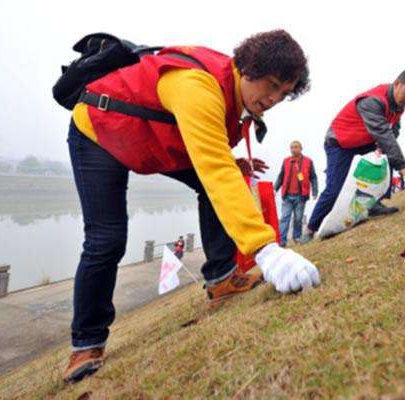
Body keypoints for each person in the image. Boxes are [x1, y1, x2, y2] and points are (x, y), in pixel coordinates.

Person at [63, 30, 320, 384]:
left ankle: (222, 278)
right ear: (249, 67)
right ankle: (87, 343)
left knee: (222, 179)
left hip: (149, 139)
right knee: (106, 239)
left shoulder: (234, 94)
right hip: (99, 131)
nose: (274, 98)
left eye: (284, 92)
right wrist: (266, 250)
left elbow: (213, 157)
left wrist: (233, 165)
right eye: (272, 85)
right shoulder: (197, 85)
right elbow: (214, 168)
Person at [299, 68, 405, 244]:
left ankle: (374, 204)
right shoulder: (373, 101)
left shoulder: (398, 106)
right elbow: (383, 133)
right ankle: (310, 228)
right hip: (340, 142)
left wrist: (381, 149)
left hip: (364, 139)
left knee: (385, 159)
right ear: (397, 84)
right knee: (335, 188)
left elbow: (393, 130)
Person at [274, 140, 318, 246]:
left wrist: (315, 191)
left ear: (301, 148)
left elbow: (313, 177)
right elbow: (281, 176)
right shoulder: (286, 161)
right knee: (285, 217)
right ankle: (282, 241)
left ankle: (297, 238)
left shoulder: (308, 161)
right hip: (287, 195)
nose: (293, 149)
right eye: (292, 148)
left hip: (301, 196)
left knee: (298, 218)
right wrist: (275, 189)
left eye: (296, 147)